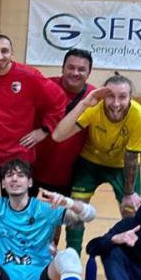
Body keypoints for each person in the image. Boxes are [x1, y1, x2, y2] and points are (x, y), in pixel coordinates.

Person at [52, 74, 141, 255]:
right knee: (76, 210)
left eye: (122, 97)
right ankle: (73, 255)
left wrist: (129, 193)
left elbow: (131, 156)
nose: (116, 103)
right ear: (103, 96)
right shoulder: (94, 109)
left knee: (132, 211)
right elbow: (58, 136)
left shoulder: (140, 117)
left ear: (131, 98)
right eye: (110, 96)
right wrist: (83, 104)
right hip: (90, 162)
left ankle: (131, 259)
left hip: (123, 165)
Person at [0, 34, 65, 194]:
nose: (0, 56)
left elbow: (59, 100)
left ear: (12, 53)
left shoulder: (30, 76)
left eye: (4, 51)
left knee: (15, 206)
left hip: (18, 156)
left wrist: (45, 130)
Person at [32, 48, 96, 196]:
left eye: (81, 69)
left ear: (89, 73)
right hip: (33, 169)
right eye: (71, 67)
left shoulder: (94, 97)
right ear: (62, 68)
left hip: (68, 176)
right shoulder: (45, 87)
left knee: (60, 211)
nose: (75, 73)